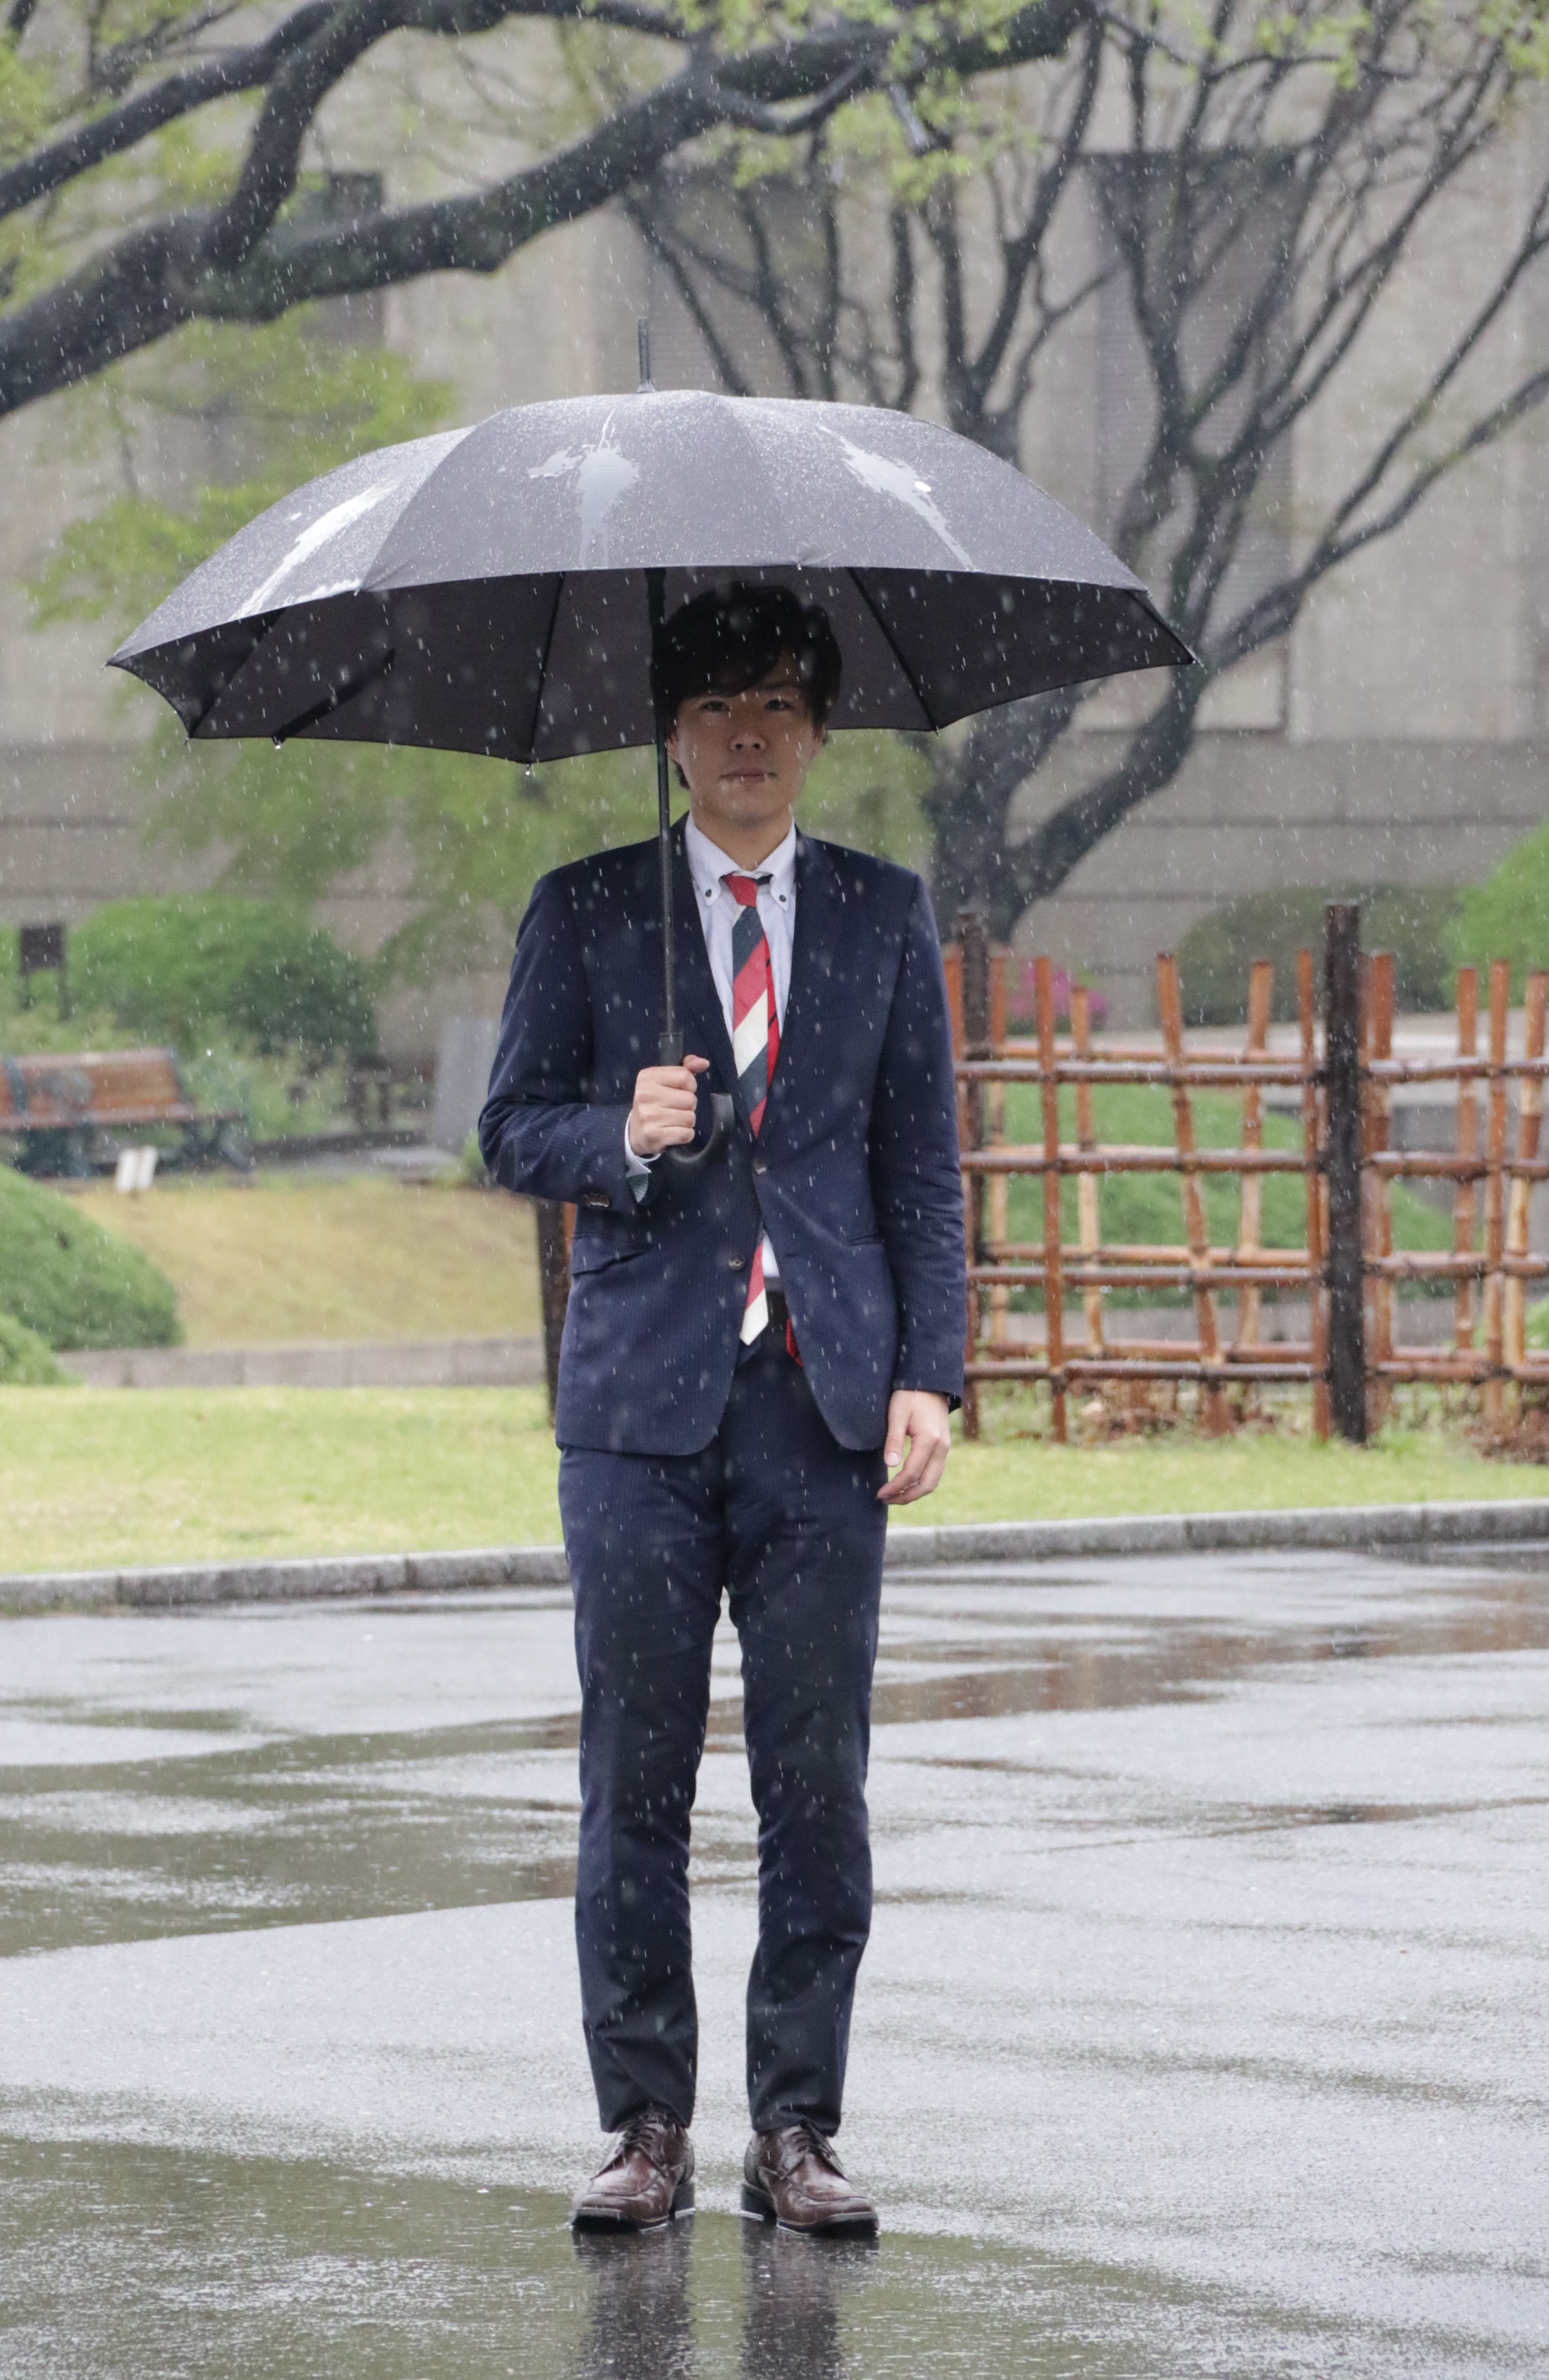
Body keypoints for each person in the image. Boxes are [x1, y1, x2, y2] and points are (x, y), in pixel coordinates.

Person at [480, 582, 965, 2238]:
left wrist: (928, 1371)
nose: (745, 735)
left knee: (816, 1784)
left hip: (822, 1404)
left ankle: (798, 2131)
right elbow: (510, 1131)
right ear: (670, 737)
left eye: (775, 704)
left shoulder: (884, 915)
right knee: (634, 1777)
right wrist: (620, 1125)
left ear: (819, 733)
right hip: (636, 1413)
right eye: (713, 708)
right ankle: (642, 2125)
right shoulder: (590, 910)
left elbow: (920, 1171)